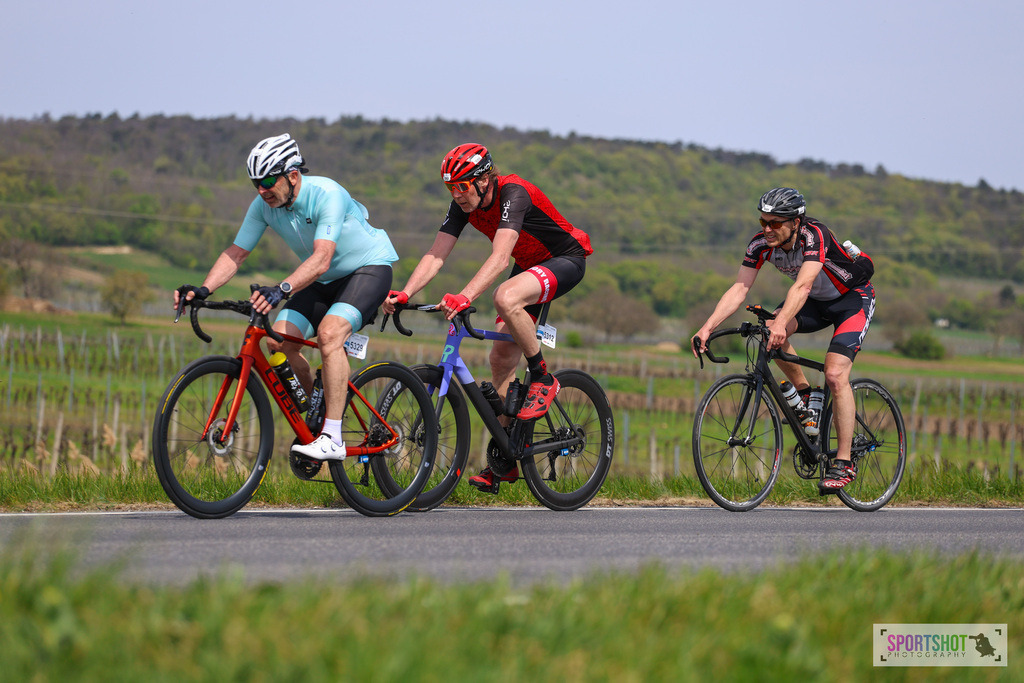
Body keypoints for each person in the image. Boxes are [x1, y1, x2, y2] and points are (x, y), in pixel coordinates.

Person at [174, 133, 399, 461]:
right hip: (323, 279)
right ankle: (320, 416)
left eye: (267, 180)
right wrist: (204, 288)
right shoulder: (263, 206)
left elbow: (322, 259)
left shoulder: (327, 194)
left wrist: (281, 289)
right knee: (279, 342)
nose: (262, 190)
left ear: (293, 175)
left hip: (368, 269)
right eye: (256, 184)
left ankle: (332, 437)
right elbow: (236, 253)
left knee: (329, 334)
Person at [382, 142, 593, 490]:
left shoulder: (514, 193)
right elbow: (436, 254)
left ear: (484, 179)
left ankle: (542, 378)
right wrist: (407, 292)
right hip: (530, 267)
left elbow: (499, 258)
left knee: (504, 297)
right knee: (500, 358)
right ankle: (507, 458)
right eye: (451, 188)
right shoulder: (463, 204)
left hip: (565, 259)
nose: (457, 195)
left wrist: (465, 296)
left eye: (462, 186)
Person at [691, 187, 875, 491]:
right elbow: (739, 288)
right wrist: (707, 327)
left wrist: (782, 322)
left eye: (775, 223)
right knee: (768, 333)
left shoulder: (815, 235)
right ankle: (804, 396)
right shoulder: (759, 244)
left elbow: (802, 287)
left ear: (795, 222)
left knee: (834, 373)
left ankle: (843, 462)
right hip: (816, 301)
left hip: (852, 299)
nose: (767, 229)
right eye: (763, 221)